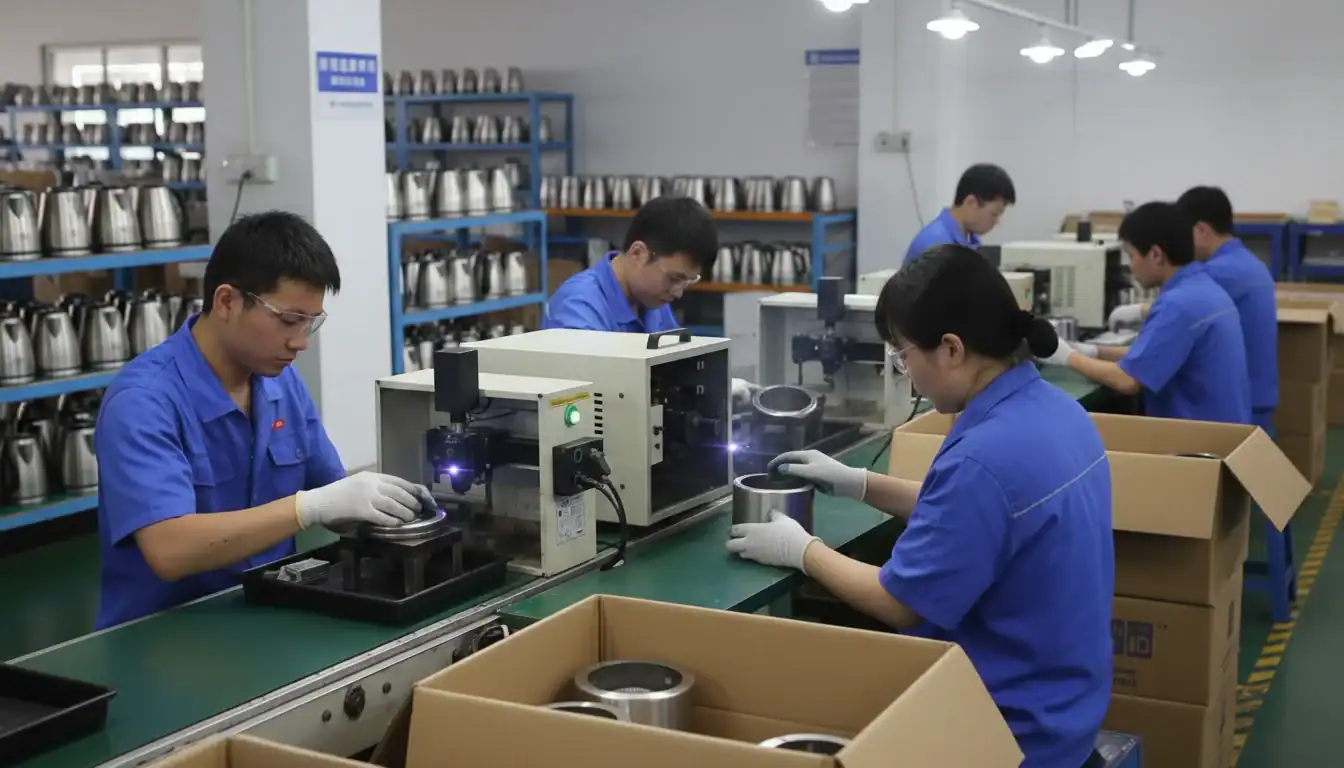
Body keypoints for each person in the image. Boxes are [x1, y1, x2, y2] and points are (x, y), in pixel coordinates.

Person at [727, 244, 1114, 768]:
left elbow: (899, 601)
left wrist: (802, 551)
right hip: (1067, 708)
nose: (905, 372)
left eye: (904, 355)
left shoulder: (985, 458)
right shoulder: (1056, 412)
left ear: (951, 349)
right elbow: (979, 518)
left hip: (1009, 732)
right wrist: (861, 483)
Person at [94, 211, 435, 629]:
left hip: (269, 614)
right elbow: (170, 549)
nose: (300, 342)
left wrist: (391, 507)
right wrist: (308, 507)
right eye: (289, 321)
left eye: (311, 323)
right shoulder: (144, 402)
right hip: (166, 635)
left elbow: (332, 492)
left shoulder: (281, 384)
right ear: (226, 302)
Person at [1040, 201, 1252, 425]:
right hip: (1224, 429)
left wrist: (1067, 357)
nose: (1130, 267)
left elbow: (1128, 380)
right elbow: (1152, 356)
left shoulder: (1178, 305)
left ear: (1156, 254)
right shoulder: (1203, 288)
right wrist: (1092, 350)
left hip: (1198, 442)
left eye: (1131, 256)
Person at [544, 195, 756, 404]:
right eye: (674, 279)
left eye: (688, 282)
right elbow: (596, 397)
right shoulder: (578, 307)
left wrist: (715, 388)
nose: (678, 293)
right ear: (638, 253)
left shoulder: (651, 300)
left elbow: (678, 368)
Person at [1178, 186, 1278, 435]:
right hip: (1260, 396)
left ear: (1201, 229)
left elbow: (1181, 309)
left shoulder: (1218, 272)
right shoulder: (1249, 262)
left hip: (1237, 407)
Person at [902, 163, 1015, 266]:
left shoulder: (970, 239)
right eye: (994, 214)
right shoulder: (937, 244)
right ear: (971, 202)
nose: (997, 222)